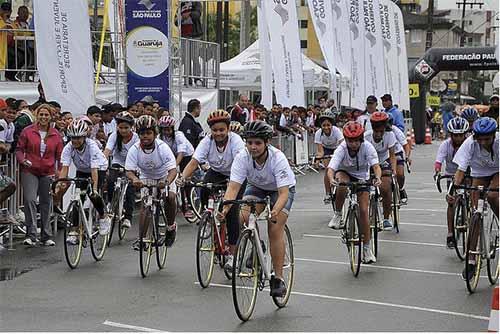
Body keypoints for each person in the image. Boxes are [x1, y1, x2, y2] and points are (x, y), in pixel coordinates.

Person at [219, 120, 296, 297]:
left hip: (281, 189)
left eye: (258, 143)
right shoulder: (242, 157)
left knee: (274, 227)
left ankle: (278, 278)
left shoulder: (278, 158)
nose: (253, 147)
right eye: (250, 142)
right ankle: (256, 243)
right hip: (256, 187)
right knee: (243, 216)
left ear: (267, 143)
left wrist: (275, 211)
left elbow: (284, 193)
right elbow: (233, 188)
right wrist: (224, 209)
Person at [177, 110, 245, 268]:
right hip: (217, 172)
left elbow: (240, 165)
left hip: (237, 174)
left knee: (231, 212)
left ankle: (232, 254)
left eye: (222, 130)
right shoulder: (207, 141)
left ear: (228, 129)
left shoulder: (236, 141)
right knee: (204, 186)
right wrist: (183, 178)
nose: (218, 133)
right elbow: (194, 162)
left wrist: (231, 184)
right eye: (215, 130)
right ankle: (207, 217)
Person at [450, 117, 498, 280]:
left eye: (488, 139)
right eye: (481, 139)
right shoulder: (470, 143)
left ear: (494, 135)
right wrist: (454, 187)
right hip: (478, 173)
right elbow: (461, 169)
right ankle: (471, 259)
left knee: (492, 195)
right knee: (475, 216)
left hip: (497, 171)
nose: (484, 142)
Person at [326, 121, 381, 263]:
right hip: (345, 172)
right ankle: (338, 214)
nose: (353, 144)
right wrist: (331, 179)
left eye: (356, 140)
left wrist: (378, 178)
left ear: (361, 139)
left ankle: (367, 249)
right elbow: (331, 168)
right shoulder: (341, 148)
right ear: (345, 139)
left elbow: (376, 166)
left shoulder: (367, 147)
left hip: (363, 176)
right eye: (350, 140)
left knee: (363, 211)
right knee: (341, 184)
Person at [125, 115, 178, 249]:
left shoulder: (163, 147)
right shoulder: (134, 149)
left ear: (155, 133)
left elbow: (173, 170)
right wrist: (135, 179)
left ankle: (171, 227)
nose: (145, 136)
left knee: (170, 197)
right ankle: (142, 239)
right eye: (142, 133)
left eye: (149, 133)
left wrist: (166, 182)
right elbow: (129, 171)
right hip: (145, 177)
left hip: (164, 176)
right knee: (145, 205)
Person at [54, 119, 110, 244]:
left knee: (92, 194)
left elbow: (94, 170)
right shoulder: (68, 147)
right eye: (73, 138)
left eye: (78, 138)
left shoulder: (92, 146)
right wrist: (61, 183)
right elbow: (65, 168)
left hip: (98, 168)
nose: (75, 141)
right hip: (82, 170)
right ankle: (74, 230)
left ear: (85, 137)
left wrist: (94, 188)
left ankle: (103, 216)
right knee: (78, 198)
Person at [16, 104, 63, 246]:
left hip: (47, 172)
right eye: (41, 114)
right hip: (30, 170)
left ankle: (46, 235)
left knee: (46, 203)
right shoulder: (27, 131)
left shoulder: (56, 134)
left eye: (46, 115)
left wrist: (59, 172)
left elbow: (60, 156)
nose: (43, 117)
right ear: (37, 115)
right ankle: (31, 234)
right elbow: (19, 149)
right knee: (30, 200)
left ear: (50, 117)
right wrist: (23, 160)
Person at [434, 117, 469, 248]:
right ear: (451, 134)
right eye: (455, 135)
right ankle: (450, 233)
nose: (458, 138)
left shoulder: (470, 143)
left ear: (465, 134)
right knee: (451, 203)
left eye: (461, 135)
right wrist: (437, 172)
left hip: (468, 173)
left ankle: (473, 217)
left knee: (474, 196)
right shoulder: (445, 145)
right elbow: (439, 160)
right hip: (451, 175)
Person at [103, 111, 139, 230]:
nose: (123, 130)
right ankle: (110, 201)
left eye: (126, 128)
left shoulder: (136, 138)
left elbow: (139, 154)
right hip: (118, 163)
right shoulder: (114, 135)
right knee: (111, 179)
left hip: (132, 164)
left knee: (130, 189)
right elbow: (107, 151)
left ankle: (128, 217)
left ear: (131, 127)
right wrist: (102, 164)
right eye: (120, 127)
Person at [364, 112, 398, 231]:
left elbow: (392, 155)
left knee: (385, 187)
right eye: (376, 131)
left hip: (384, 162)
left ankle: (386, 218)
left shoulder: (390, 135)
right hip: (369, 163)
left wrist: (393, 170)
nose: (378, 134)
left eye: (381, 131)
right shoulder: (366, 136)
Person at [158, 115, 195, 219]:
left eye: (169, 129)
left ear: (173, 128)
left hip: (186, 155)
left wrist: (174, 167)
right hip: (172, 156)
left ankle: (187, 207)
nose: (167, 132)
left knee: (182, 180)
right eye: (164, 130)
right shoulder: (159, 137)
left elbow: (181, 153)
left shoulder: (179, 135)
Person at [314, 109, 344, 208]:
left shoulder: (337, 131)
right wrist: (318, 159)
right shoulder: (318, 133)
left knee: (339, 167)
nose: (326, 127)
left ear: (332, 125)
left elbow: (342, 146)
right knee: (328, 169)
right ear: (321, 126)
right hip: (326, 150)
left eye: (328, 125)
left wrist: (339, 157)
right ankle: (328, 193)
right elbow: (320, 151)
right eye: (324, 125)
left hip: (337, 148)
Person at [387, 113, 411, 204]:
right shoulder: (378, 131)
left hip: (397, 153)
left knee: (400, 174)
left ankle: (401, 189)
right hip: (386, 155)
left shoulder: (395, 130)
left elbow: (406, 145)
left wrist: (407, 156)